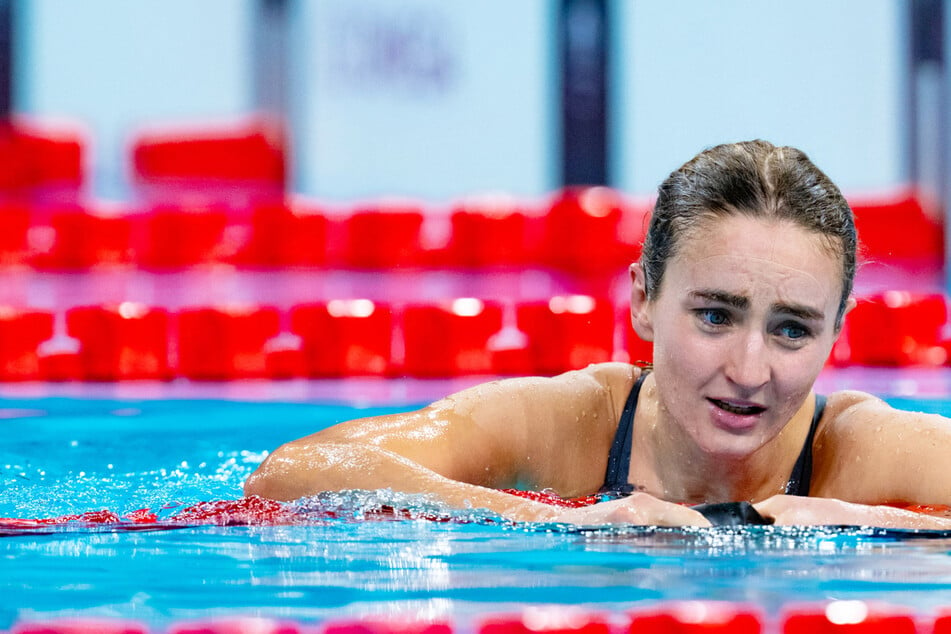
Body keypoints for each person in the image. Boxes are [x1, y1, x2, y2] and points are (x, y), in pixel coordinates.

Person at [245, 140, 951, 529]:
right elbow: (292, 475)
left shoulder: (859, 454)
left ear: (837, 334)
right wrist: (555, 522)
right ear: (643, 300)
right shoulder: (569, 424)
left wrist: (852, 518)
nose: (747, 368)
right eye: (714, 316)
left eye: (792, 330)